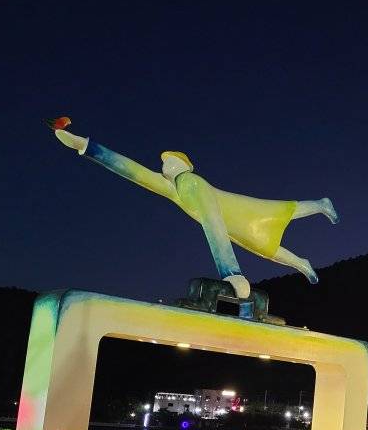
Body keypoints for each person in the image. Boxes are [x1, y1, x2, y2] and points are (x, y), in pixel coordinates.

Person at [51, 120, 339, 299]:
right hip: (234, 219)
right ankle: (302, 262)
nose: (165, 165)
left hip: (232, 213)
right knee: (264, 244)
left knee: (280, 213)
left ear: (185, 165)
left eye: (171, 161)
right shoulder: (174, 188)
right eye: (164, 163)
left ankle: (320, 206)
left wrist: (232, 272)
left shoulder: (191, 182)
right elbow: (134, 171)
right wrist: (86, 146)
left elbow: (212, 222)